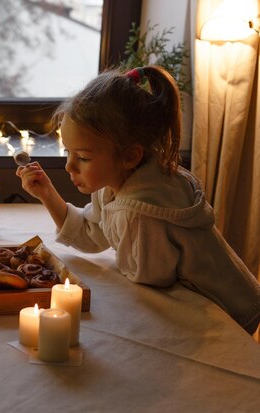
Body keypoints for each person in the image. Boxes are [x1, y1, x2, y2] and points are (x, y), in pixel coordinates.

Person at [17, 65, 260, 334]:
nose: (69, 167)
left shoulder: (139, 212)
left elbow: (150, 289)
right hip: (219, 301)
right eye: (68, 152)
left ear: (130, 156)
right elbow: (93, 234)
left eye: (83, 157)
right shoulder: (121, 180)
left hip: (224, 314)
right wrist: (47, 194)